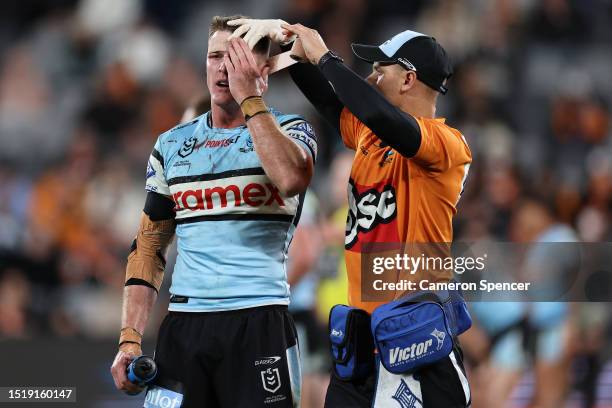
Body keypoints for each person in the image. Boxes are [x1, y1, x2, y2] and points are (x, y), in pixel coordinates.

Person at [230, 19, 472, 407]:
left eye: (380, 69)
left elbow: (382, 117)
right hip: (361, 348)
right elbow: (331, 101)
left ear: (408, 79)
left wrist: (326, 58)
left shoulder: (446, 144)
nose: (371, 77)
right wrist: (286, 49)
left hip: (417, 344)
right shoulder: (368, 135)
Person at [109, 15, 318, 408]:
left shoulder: (293, 130)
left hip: (258, 319)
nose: (223, 68)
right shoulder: (171, 145)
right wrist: (130, 338)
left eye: (236, 57)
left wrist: (250, 98)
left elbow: (291, 178)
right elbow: (149, 247)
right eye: (215, 56)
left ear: (264, 70)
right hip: (184, 326)